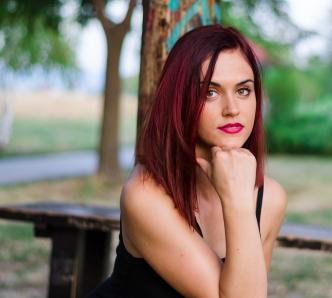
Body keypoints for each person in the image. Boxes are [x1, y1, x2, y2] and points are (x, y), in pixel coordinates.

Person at [87, 24, 287, 298]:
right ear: (180, 100)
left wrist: (239, 197)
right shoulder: (145, 194)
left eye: (243, 90)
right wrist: (238, 202)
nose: (232, 109)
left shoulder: (270, 199)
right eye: (210, 92)